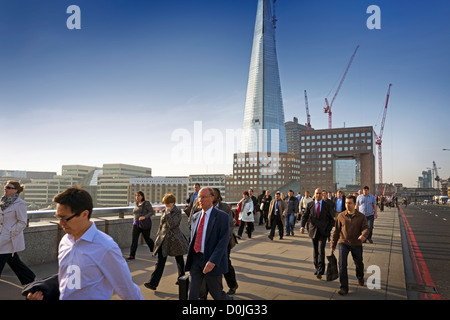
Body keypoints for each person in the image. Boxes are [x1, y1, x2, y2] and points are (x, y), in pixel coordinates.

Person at [28, 187, 143, 300]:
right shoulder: (65, 241)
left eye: (65, 218)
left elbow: (126, 288)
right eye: (58, 217)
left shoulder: (105, 246)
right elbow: (66, 282)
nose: (61, 223)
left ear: (84, 214)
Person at [185, 187, 232, 300]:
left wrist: (213, 261)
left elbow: (223, 241)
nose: (200, 200)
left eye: (204, 197)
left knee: (216, 294)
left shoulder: (222, 216)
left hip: (211, 260)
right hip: (196, 259)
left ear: (212, 198)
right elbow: (193, 238)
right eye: (199, 197)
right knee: (192, 294)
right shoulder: (195, 216)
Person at [144, 193, 188, 290]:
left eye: (167, 203)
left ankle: (182, 278)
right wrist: (158, 236)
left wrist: (168, 214)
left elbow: (172, 224)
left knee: (179, 260)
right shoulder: (164, 210)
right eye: (165, 203)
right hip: (163, 239)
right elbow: (161, 224)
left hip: (174, 239)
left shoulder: (177, 211)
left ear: (172, 203)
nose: (166, 205)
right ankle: (153, 283)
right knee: (160, 261)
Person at [330, 195, 369, 295]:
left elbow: (365, 228)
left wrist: (363, 235)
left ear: (355, 204)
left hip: (356, 243)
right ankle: (344, 287)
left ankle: (360, 276)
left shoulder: (361, 216)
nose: (347, 205)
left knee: (359, 263)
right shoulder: (341, 216)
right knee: (342, 265)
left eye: (350, 203)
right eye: (346, 203)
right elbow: (336, 231)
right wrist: (333, 244)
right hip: (344, 243)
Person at [0, 181, 36, 285]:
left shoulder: (20, 204)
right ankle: (30, 279)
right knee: (14, 262)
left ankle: (31, 280)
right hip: (2, 236)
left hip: (8, 238)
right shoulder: (2, 202)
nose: (5, 188)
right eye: (5, 186)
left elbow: (22, 222)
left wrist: (11, 233)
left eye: (8, 187)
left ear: (16, 190)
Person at [300, 188, 335, 279]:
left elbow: (332, 219)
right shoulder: (310, 204)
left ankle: (321, 270)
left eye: (320, 193)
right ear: (314, 194)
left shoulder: (327, 205)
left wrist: (328, 229)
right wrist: (302, 226)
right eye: (317, 193)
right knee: (315, 250)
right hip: (313, 231)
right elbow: (305, 216)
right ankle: (316, 267)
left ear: (322, 195)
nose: (318, 195)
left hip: (323, 232)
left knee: (321, 250)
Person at [127, 191, 155, 261]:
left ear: (142, 196)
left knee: (147, 239)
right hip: (136, 224)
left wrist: (144, 217)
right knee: (134, 240)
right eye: (136, 196)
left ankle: (154, 249)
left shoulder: (146, 203)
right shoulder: (136, 204)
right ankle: (132, 255)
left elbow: (152, 212)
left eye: (139, 195)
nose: (137, 197)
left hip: (144, 224)